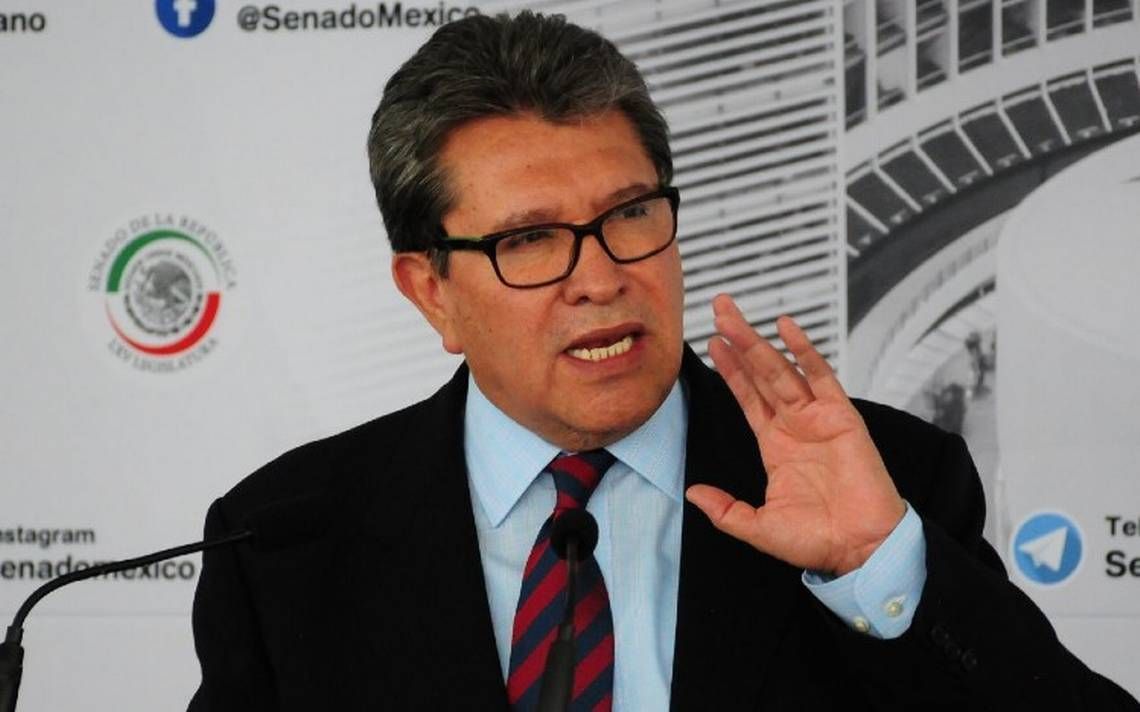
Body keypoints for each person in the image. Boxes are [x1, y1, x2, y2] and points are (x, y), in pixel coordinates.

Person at [188, 11, 1138, 711]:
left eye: (631, 214)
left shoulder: (893, 484)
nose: (602, 278)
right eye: (529, 240)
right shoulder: (284, 543)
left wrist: (878, 569)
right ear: (430, 289)